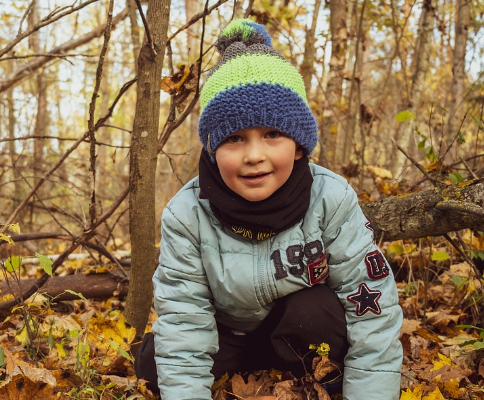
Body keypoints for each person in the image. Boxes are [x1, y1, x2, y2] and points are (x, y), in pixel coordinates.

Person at [134, 19, 402, 400]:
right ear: (212, 148)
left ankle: (314, 376)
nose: (254, 156)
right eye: (234, 138)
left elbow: (371, 305)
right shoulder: (186, 215)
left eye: (272, 134)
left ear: (298, 143)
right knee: (153, 361)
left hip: (298, 333)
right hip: (226, 332)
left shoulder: (331, 198)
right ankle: (241, 366)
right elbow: (185, 319)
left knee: (318, 311)